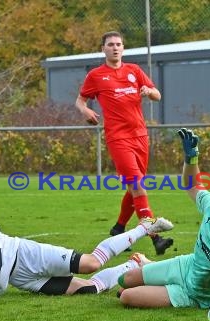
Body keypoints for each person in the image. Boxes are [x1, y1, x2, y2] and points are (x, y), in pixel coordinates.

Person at [0, 193, 173, 302]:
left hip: (26, 254)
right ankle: (134, 264)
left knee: (92, 263)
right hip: (20, 280)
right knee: (87, 289)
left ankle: (144, 227)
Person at [117, 128, 210, 321]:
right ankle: (151, 268)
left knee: (126, 296)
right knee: (124, 281)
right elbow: (192, 185)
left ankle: (155, 274)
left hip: (196, 294)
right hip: (185, 266)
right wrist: (191, 158)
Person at [75, 30, 173, 255]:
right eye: (110, 44)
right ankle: (155, 237)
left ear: (123, 48)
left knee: (134, 187)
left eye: (118, 44)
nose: (115, 48)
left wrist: (149, 91)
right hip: (118, 138)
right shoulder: (96, 75)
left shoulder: (134, 71)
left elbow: (157, 94)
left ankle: (119, 228)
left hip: (140, 135)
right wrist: (85, 110)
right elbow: (80, 100)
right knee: (138, 184)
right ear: (103, 49)